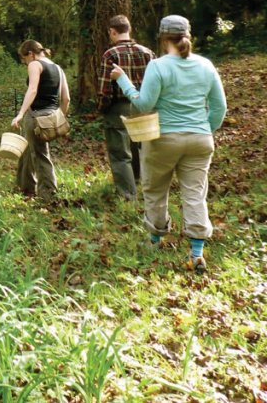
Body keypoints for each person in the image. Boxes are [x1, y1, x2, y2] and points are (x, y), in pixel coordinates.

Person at [111, 15, 227, 274]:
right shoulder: (206, 66)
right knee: (195, 194)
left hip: (164, 139)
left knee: (155, 189)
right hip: (200, 140)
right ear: (188, 35)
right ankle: (196, 253)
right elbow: (220, 107)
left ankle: (155, 240)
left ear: (163, 39)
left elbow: (144, 104)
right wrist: (205, 129)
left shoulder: (159, 66)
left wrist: (123, 80)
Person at [97, 15, 155, 200]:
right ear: (129, 29)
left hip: (118, 106)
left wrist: (102, 107)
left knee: (120, 152)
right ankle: (140, 184)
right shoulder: (148, 53)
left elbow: (105, 87)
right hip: (143, 104)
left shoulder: (111, 54)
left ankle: (128, 195)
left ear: (113, 32)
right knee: (139, 148)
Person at [11, 40, 70, 201]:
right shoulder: (58, 68)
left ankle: (49, 194)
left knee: (40, 155)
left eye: (24, 60)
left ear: (30, 53)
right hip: (51, 115)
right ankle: (24, 187)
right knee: (26, 150)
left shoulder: (35, 64)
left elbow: (33, 89)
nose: (25, 63)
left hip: (36, 116)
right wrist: (59, 117)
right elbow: (66, 98)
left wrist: (21, 113)